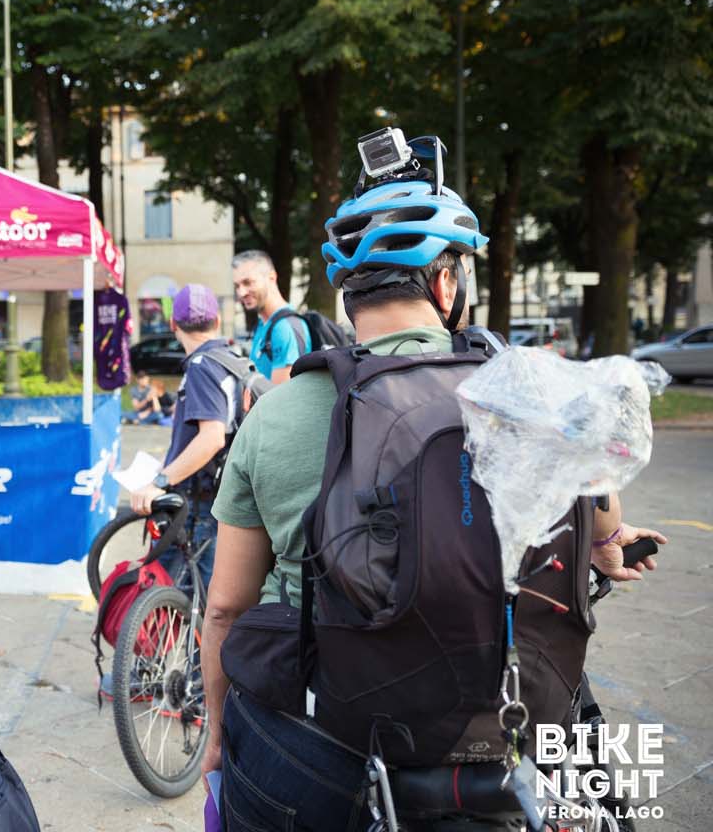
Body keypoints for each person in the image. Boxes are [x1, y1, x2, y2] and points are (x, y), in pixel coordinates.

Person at [200, 146, 667, 831]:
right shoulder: (523, 393)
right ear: (447, 285)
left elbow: (223, 609)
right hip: (492, 733)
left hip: (321, 737)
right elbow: (597, 517)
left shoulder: (275, 413)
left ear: (348, 294)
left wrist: (216, 737)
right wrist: (608, 540)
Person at [129, 284, 245, 590]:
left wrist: (159, 482)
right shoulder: (229, 360)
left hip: (196, 505)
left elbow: (212, 438)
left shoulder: (201, 367)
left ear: (172, 324)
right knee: (199, 595)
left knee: (176, 595)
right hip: (216, 497)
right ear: (217, 321)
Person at [232, 249, 310, 384]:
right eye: (237, 286)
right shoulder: (263, 323)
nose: (241, 292)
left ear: (272, 278)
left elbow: (282, 395)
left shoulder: (284, 328)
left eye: (248, 282)